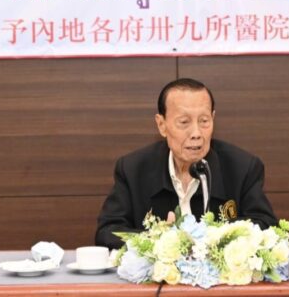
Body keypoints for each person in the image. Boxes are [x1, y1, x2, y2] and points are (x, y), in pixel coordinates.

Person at [95, 78, 278, 249]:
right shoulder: (133, 170)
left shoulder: (242, 168)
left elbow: (266, 225)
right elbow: (107, 232)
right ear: (162, 125)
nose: (196, 133)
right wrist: (158, 241)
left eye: (204, 121)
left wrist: (217, 235)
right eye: (184, 122)